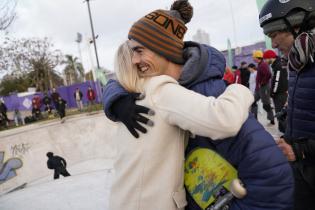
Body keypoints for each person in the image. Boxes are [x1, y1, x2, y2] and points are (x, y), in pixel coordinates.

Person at [104, 1, 294, 209]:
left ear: (162, 49)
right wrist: (116, 100)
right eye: (132, 53)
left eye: (139, 51)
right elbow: (118, 81)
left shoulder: (177, 89)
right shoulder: (147, 88)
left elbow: (268, 169)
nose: (133, 60)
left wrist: (237, 89)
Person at [259, 0, 315, 209]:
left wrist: (300, 150)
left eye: (274, 35)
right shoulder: (300, 64)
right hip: (303, 172)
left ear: (297, 25)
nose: (273, 44)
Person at [263, 49, 288, 132]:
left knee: (281, 114)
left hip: (280, 94)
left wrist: (272, 93)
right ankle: (283, 132)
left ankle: (285, 133)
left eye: (266, 59)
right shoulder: (276, 65)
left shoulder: (278, 66)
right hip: (279, 93)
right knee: (280, 114)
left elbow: (277, 81)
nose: (265, 61)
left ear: (270, 57)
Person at [252, 50, 275, 125]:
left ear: (257, 57)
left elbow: (268, 74)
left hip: (264, 88)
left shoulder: (263, 65)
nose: (253, 59)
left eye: (254, 57)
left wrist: (262, 83)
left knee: (266, 104)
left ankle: (271, 119)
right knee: (252, 102)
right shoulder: (259, 65)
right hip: (259, 89)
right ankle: (254, 119)